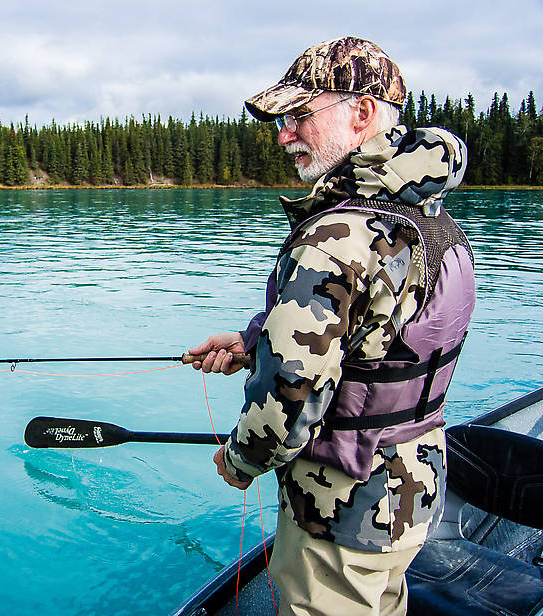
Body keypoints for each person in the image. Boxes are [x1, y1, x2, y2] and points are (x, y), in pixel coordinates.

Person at [190, 36, 475, 615]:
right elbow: (384, 339)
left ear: (362, 112)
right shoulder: (429, 214)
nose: (283, 134)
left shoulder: (333, 237)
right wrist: (254, 342)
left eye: (299, 115)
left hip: (338, 508)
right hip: (410, 491)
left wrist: (242, 459)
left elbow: (288, 402)